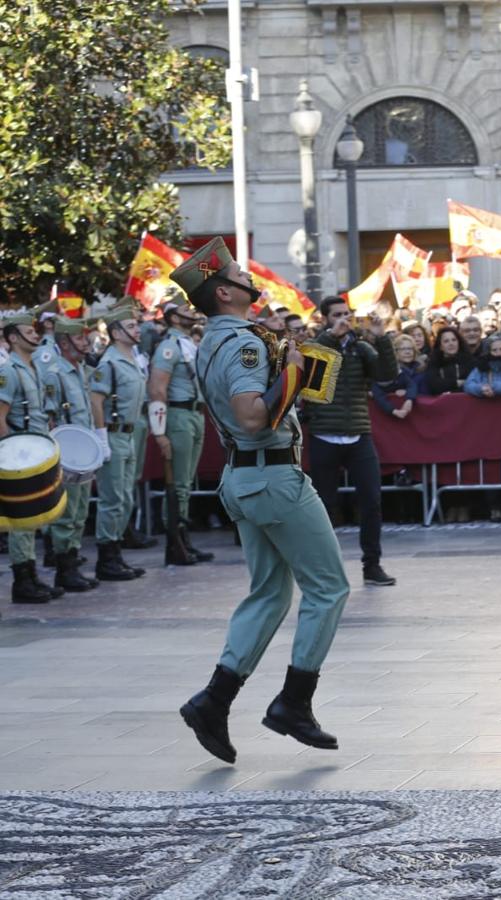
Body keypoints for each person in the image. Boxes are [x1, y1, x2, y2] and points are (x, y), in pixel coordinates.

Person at [170, 237, 349, 765]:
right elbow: (252, 415)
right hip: (272, 477)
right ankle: (294, 702)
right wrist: (293, 369)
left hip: (244, 479)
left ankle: (214, 700)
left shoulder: (214, 340)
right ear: (225, 292)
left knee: (269, 594)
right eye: (238, 275)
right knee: (329, 588)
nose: (250, 278)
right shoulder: (246, 343)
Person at [306, 297, 398, 587]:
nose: (344, 319)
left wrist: (381, 338)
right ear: (325, 319)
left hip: (358, 433)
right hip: (324, 434)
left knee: (372, 500)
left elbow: (387, 375)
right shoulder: (315, 346)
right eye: (337, 315)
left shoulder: (361, 348)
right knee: (324, 506)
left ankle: (372, 565)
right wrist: (331, 338)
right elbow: (311, 372)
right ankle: (325, 569)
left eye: (347, 314)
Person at [0, 309, 67, 603]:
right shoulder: (9, 371)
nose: (35, 334)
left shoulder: (32, 367)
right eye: (28, 331)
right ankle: (22, 580)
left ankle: (32, 576)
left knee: (32, 519)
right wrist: (7, 456)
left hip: (34, 448)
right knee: (20, 520)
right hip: (18, 451)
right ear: (13, 337)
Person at [148, 299, 214, 566]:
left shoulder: (187, 344)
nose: (192, 312)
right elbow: (157, 389)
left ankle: (183, 539)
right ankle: (175, 542)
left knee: (185, 482)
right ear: (173, 318)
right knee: (178, 484)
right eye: (186, 310)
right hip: (178, 415)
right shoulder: (168, 347)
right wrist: (160, 432)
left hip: (194, 414)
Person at [90, 299, 149, 580]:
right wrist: (101, 437)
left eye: (136, 325)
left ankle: (116, 552)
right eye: (130, 326)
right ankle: (106, 557)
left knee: (125, 497)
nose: (137, 330)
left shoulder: (131, 360)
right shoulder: (109, 363)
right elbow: (96, 401)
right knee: (112, 498)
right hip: (113, 434)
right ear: (116, 333)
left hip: (129, 433)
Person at [41, 313, 100, 592]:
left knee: (79, 512)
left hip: (84, 451)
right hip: (68, 453)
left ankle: (72, 562)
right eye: (79, 338)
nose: (85, 343)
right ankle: (64, 568)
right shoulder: (55, 372)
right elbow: (49, 417)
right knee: (67, 513)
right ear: (64, 342)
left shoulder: (78, 370)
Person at [371, 334, 420, 420]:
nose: (407, 352)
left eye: (410, 348)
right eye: (403, 349)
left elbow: (412, 385)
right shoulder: (388, 371)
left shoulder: (421, 368)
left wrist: (408, 397)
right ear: (395, 352)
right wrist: (393, 409)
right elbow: (378, 395)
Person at [464, 333, 501, 397]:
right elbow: (468, 385)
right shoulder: (482, 365)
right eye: (494, 350)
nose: (498, 353)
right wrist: (481, 389)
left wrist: (496, 388)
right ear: (489, 351)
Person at [420, 327, 465, 395]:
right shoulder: (433, 363)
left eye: (454, 340)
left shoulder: (468, 361)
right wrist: (457, 383)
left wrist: (451, 391)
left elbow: (469, 384)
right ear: (440, 346)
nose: (451, 343)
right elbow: (434, 385)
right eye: (446, 341)